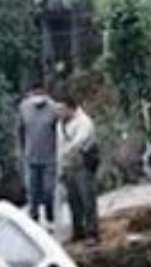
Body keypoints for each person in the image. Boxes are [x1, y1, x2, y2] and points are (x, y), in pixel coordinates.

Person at [56, 96, 99, 248]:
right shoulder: (60, 124)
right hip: (69, 166)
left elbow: (79, 141)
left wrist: (66, 152)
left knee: (87, 199)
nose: (59, 112)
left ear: (70, 108)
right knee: (74, 201)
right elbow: (59, 146)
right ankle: (78, 231)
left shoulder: (84, 122)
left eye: (61, 109)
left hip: (83, 165)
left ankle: (92, 233)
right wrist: (60, 166)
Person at [17, 85, 59, 226]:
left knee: (48, 190)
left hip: (49, 157)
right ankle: (33, 218)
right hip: (31, 157)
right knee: (32, 191)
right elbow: (20, 131)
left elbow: (59, 132)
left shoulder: (53, 108)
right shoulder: (23, 107)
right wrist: (22, 151)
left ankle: (50, 217)